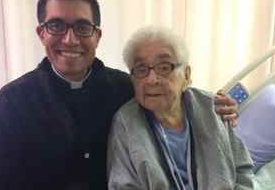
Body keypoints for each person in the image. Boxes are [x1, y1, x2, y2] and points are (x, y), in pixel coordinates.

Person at [0, 0, 238, 190]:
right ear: (41, 33)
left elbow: (174, 94)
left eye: (82, 27)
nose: (70, 39)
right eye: (56, 26)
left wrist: (221, 106)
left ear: (97, 36)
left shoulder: (125, 87)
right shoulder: (10, 104)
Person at [107, 26, 254, 190]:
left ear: (186, 75)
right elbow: (122, 185)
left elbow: (243, 171)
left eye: (164, 67)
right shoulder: (125, 122)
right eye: (141, 69)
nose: (151, 80)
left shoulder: (213, 107)